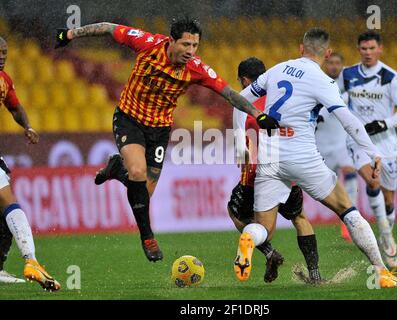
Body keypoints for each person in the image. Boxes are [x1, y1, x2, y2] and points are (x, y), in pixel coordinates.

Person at [55, 17, 279, 263]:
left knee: (142, 192)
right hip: (129, 118)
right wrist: (71, 34)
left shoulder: (196, 68)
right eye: (185, 44)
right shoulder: (147, 44)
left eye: (194, 46)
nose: (190, 51)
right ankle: (148, 237)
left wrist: (258, 114)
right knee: (138, 172)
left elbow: (229, 93)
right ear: (171, 40)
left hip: (160, 130)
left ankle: (117, 168)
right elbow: (108, 28)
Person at [233, 28, 397, 288]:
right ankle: (381, 273)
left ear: (301, 48)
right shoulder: (322, 81)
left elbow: (239, 99)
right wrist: (373, 152)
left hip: (270, 158)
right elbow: (348, 120)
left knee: (264, 229)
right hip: (302, 157)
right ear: (327, 54)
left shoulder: (277, 69)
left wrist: (239, 139)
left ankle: (249, 238)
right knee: (347, 209)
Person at [231, 57, 322, 284]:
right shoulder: (281, 100)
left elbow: (240, 147)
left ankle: (269, 252)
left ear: (244, 80)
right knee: (299, 217)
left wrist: (243, 162)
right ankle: (315, 275)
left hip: (257, 174)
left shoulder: (244, 103)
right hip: (289, 167)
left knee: (240, 214)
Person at [337, 31, 397, 270]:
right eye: (363, 49)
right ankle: (384, 231)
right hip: (359, 140)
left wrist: (384, 123)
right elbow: (333, 98)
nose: (367, 53)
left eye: (371, 48)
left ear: (380, 49)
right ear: (358, 50)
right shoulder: (347, 75)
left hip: (386, 142)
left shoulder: (391, 77)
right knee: (372, 180)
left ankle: (386, 231)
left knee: (389, 198)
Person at [0, 37, 60, 291]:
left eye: (5, 51)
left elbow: (14, 106)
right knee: (7, 201)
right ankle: (31, 260)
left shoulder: (4, 80)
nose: (2, 55)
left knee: (3, 211)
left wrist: (27, 126)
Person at [316, 52, 357, 243]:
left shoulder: (348, 90)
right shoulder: (317, 84)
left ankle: (349, 220)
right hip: (320, 146)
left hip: (341, 144)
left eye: (337, 63)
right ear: (325, 65)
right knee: (321, 187)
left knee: (350, 171)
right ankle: (341, 213)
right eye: (330, 63)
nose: (333, 66)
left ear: (342, 65)